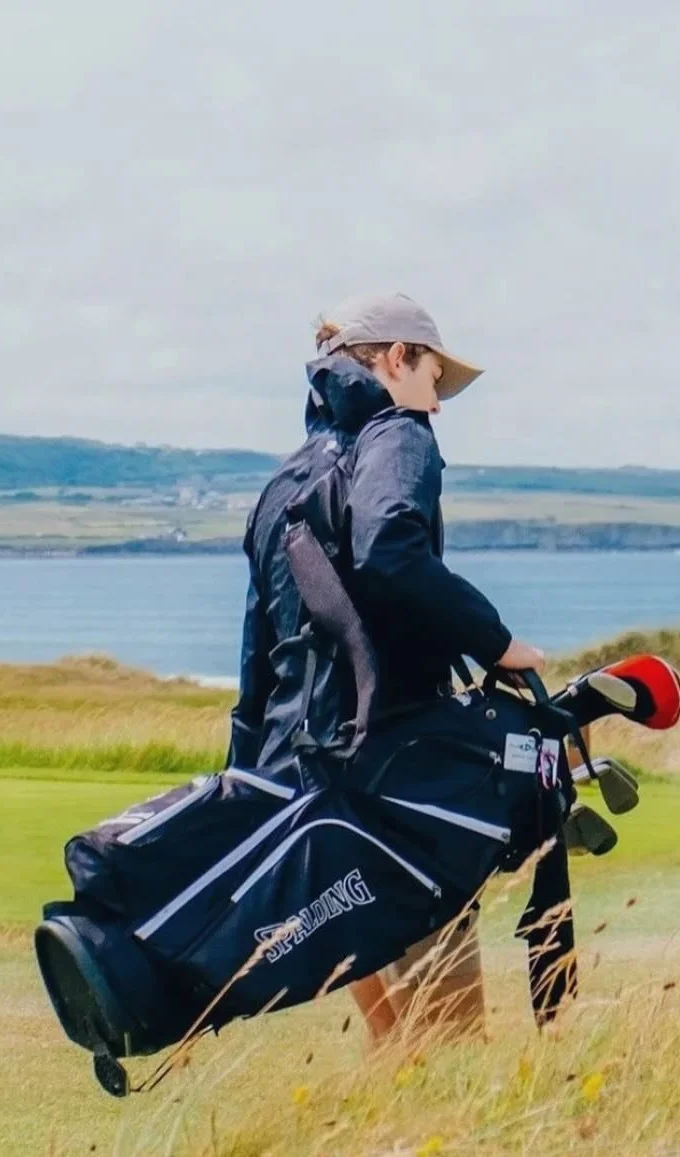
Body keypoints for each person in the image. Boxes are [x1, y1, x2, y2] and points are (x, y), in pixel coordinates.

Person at [226, 292, 545, 1044]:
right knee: (448, 1039)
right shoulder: (399, 435)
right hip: (389, 770)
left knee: (393, 1036)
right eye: (434, 376)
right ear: (396, 359)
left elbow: (260, 647)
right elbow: (389, 549)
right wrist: (496, 642)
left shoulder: (284, 481)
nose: (437, 401)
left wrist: (250, 777)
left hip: (305, 779)